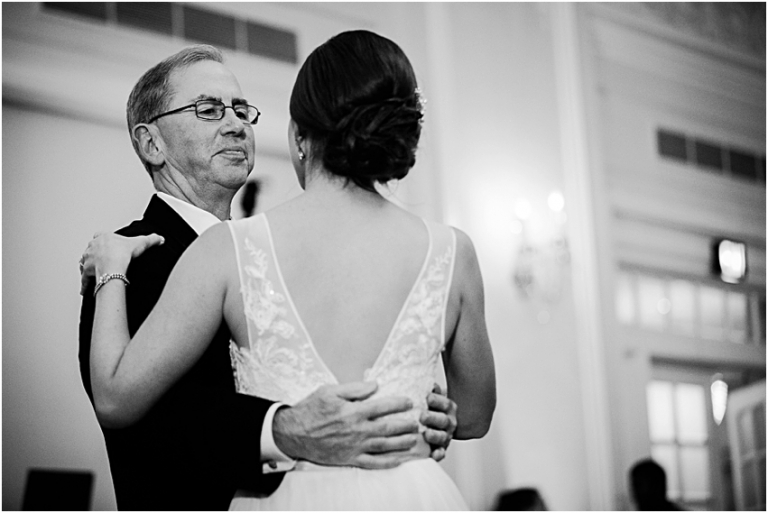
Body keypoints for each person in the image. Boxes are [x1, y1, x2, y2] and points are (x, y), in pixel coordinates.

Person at [81, 30, 495, 509]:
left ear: (299, 137)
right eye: (209, 109)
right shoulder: (133, 257)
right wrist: (284, 429)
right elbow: (150, 427)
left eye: (242, 109)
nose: (236, 124)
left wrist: (427, 410)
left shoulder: (244, 246)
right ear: (151, 143)